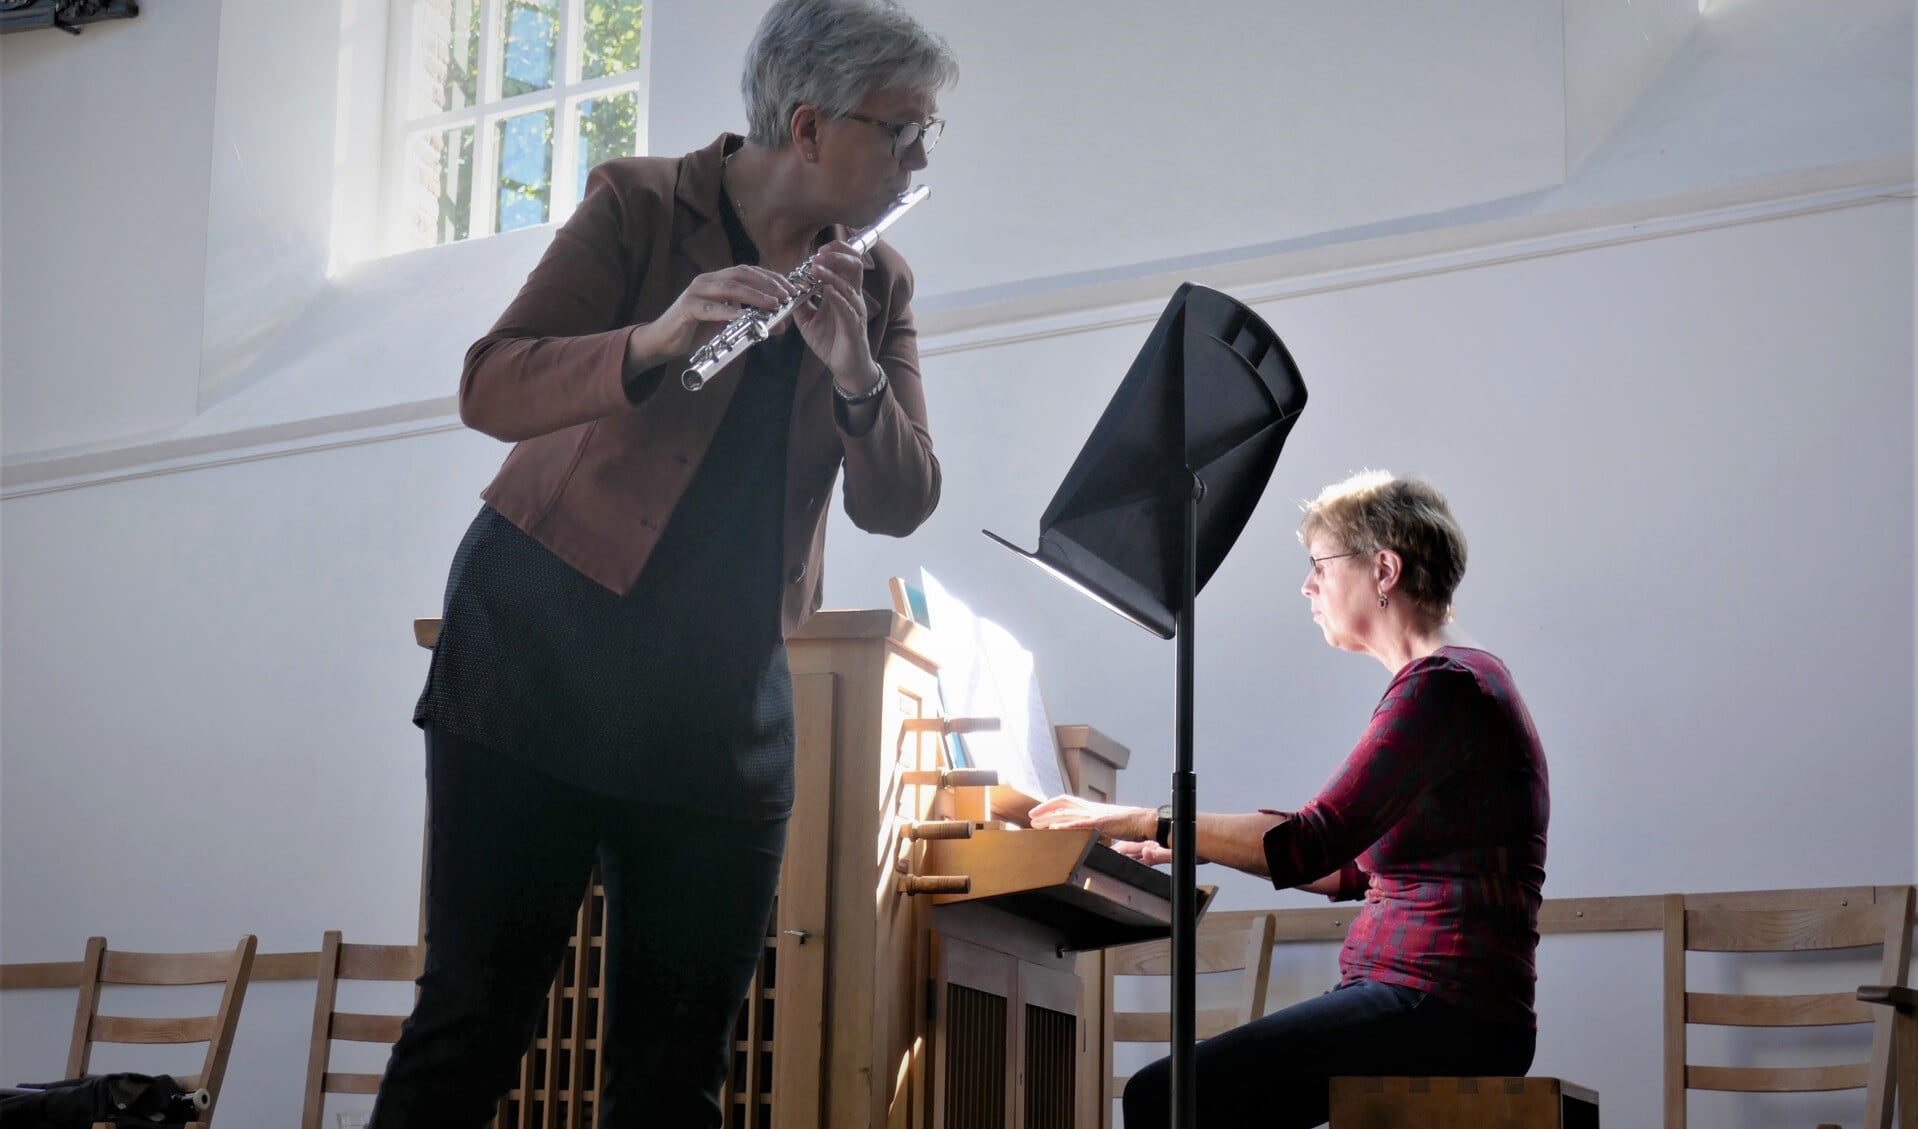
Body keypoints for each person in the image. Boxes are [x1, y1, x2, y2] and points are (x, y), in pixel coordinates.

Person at [370, 3, 958, 1125]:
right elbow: (490, 384)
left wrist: (854, 383)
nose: (918, 160)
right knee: (473, 1022)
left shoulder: (879, 286)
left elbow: (903, 499)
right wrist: (652, 342)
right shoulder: (639, 203)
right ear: (808, 127)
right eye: (903, 131)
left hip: (720, 699)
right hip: (540, 647)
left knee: (678, 1069)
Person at [1030, 471, 1548, 1129]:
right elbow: (1354, 867)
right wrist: (1185, 845)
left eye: (1320, 564)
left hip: (1441, 1005)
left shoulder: (1441, 689)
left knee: (1162, 1098)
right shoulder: (1461, 680)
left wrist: (1138, 817)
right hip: (1448, 1004)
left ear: (1384, 568)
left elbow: (1308, 842)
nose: (1308, 585)